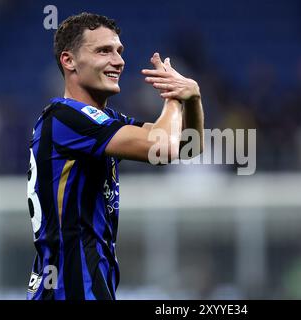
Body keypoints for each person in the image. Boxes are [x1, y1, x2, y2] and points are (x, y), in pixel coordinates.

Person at [26, 12, 204, 300]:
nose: (119, 61)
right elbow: (162, 146)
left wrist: (192, 98)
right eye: (103, 51)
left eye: (119, 51)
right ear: (69, 60)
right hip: (72, 289)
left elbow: (188, 147)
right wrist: (173, 97)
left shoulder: (99, 121)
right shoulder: (65, 118)